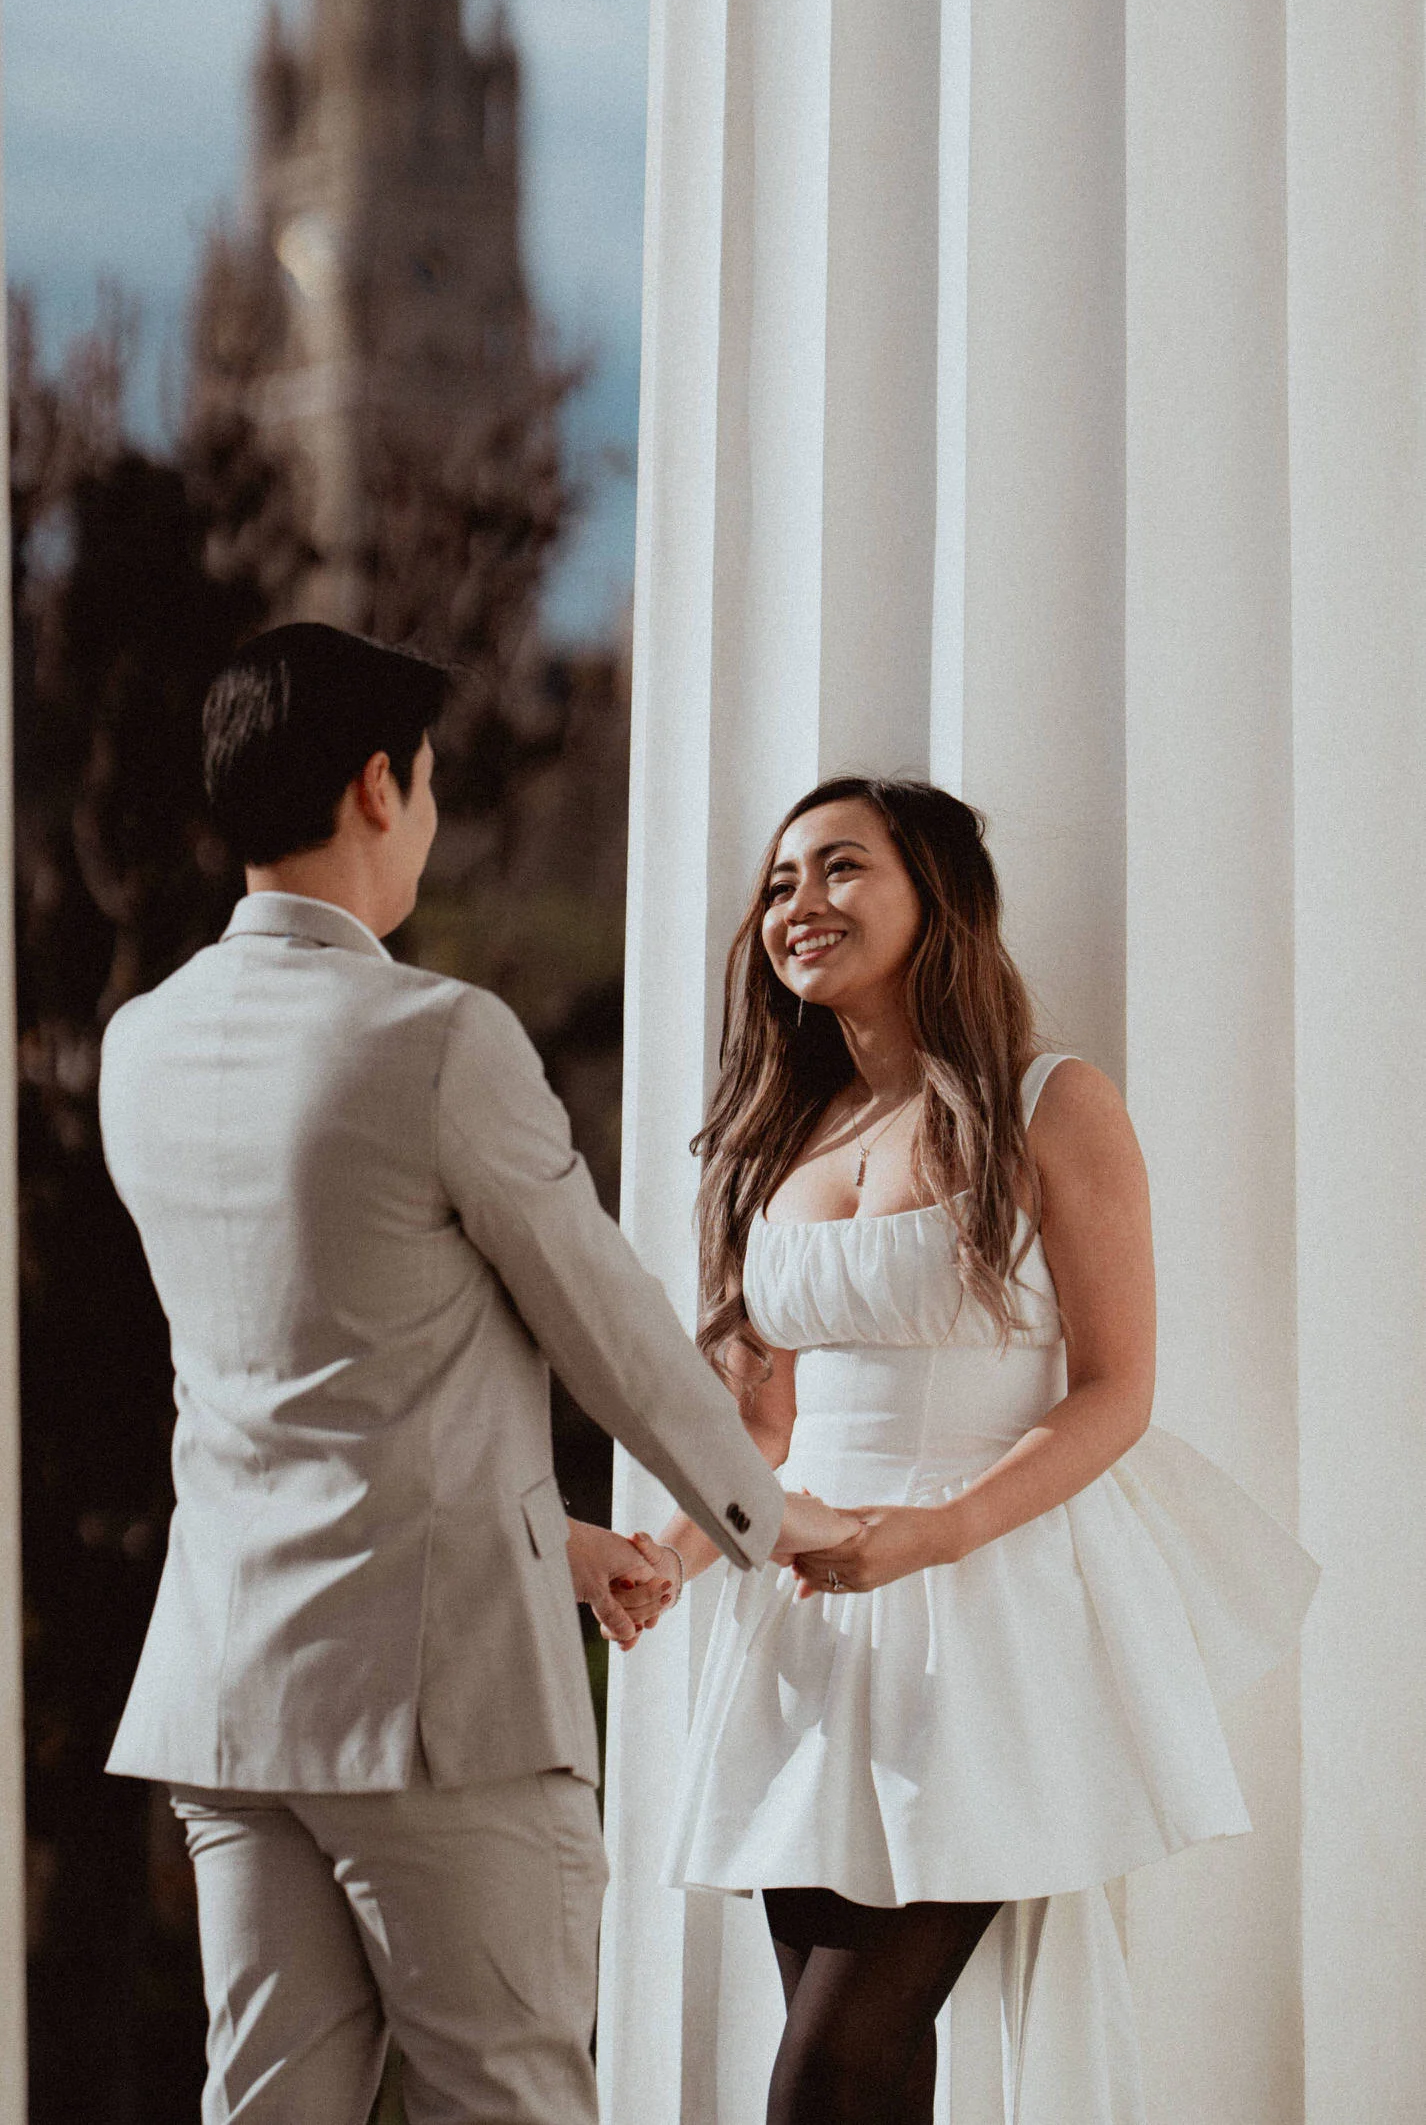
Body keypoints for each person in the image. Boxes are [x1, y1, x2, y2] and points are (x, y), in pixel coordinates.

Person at [97, 620, 852, 2125]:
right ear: (380, 786)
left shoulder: (142, 1041)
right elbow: (606, 1324)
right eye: (429, 787)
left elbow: (301, 1374)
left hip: (231, 1704)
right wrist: (772, 1519)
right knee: (502, 2104)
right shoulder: (435, 1038)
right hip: (435, 1714)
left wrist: (561, 1547)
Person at [638, 776, 1317, 2124]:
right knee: (866, 2064)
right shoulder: (771, 1141)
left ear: (932, 898)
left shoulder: (1050, 1102)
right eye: (779, 883)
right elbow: (755, 1424)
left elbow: (1116, 1390)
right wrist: (665, 1559)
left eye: (840, 869)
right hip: (812, 1627)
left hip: (988, 1602)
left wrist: (930, 1536)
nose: (799, 905)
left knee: (827, 2071)